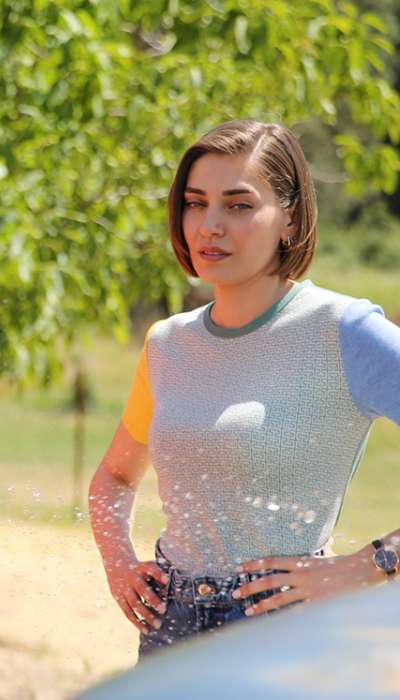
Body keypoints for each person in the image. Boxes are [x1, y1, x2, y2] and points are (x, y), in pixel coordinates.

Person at [88, 120, 400, 658]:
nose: (210, 226)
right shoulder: (167, 344)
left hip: (284, 637)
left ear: (290, 220)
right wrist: (119, 564)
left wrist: (369, 566)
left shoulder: (344, 331)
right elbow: (114, 478)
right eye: (195, 203)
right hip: (169, 631)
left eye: (238, 205)